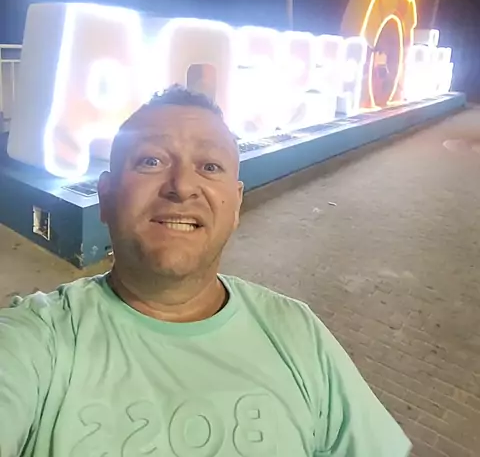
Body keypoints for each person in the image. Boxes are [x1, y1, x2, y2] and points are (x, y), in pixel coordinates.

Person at [0, 85, 411, 457]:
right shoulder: (37, 338)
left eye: (210, 166)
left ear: (235, 205)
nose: (181, 186)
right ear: (106, 198)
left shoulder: (297, 332)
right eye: (151, 160)